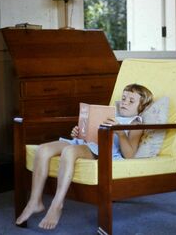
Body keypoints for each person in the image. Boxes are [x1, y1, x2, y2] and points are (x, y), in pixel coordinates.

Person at [15, 83, 153, 230]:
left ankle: (57, 204)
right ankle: (35, 201)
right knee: (42, 149)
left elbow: (130, 155)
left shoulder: (135, 123)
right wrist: (79, 131)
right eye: (124, 98)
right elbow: (91, 132)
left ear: (141, 107)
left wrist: (119, 132)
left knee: (70, 151)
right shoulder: (112, 114)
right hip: (84, 142)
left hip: (102, 150)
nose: (125, 102)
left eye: (131, 101)